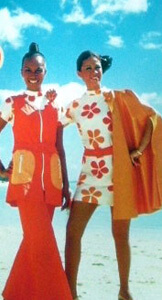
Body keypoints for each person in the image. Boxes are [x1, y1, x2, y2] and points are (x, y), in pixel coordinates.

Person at [63, 50, 162, 300]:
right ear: (79, 74)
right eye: (88, 68)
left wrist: (138, 150)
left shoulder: (118, 97)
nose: (94, 72)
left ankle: (124, 291)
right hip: (90, 173)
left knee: (120, 235)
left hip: (120, 172)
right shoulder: (74, 106)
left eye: (97, 67)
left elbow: (152, 118)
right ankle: (70, 292)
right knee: (73, 231)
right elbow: (49, 127)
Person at [0, 42, 73, 300]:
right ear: (21, 73)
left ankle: (15, 293)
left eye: (38, 69)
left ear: (46, 72)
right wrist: (1, 170)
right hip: (24, 180)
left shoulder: (56, 106)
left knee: (33, 243)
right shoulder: (12, 103)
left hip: (52, 183)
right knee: (44, 244)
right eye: (28, 69)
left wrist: (66, 186)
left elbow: (60, 148)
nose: (33, 74)